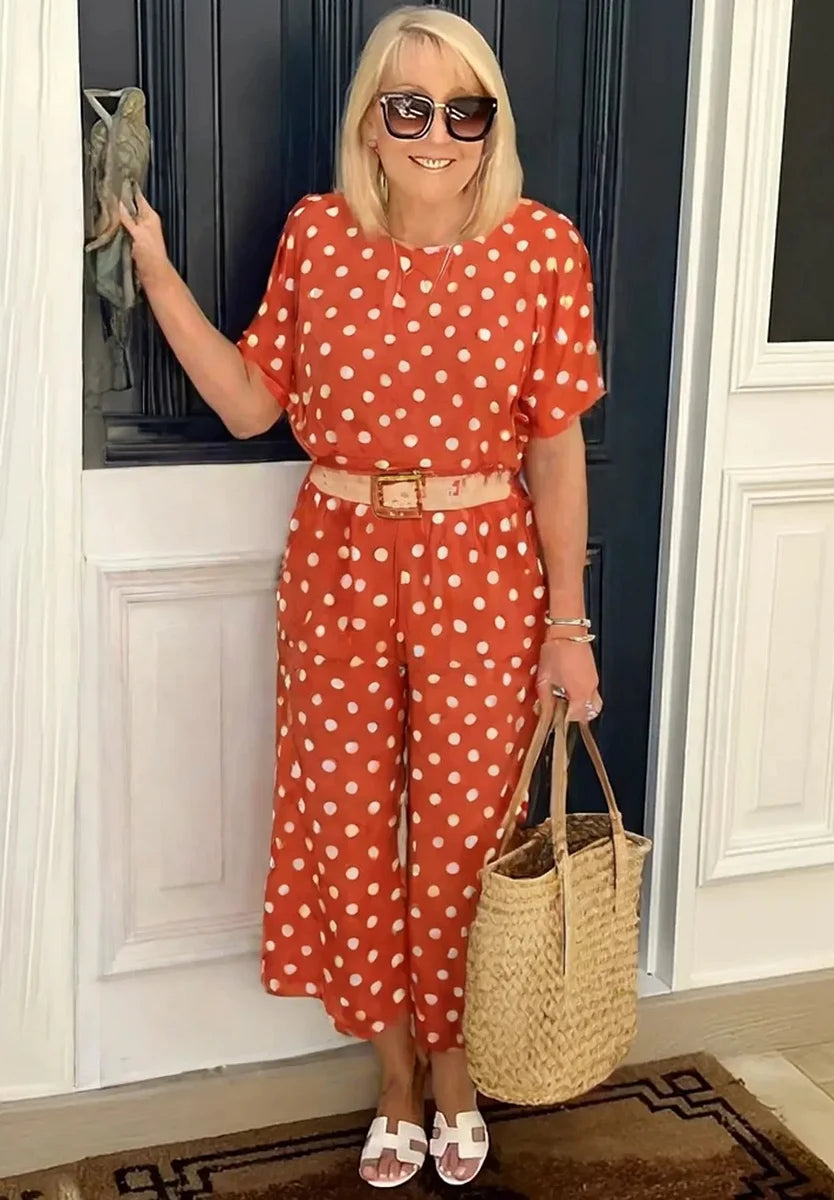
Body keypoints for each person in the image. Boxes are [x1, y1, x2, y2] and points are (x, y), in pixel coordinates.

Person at [120, 3, 604, 1188]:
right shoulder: (318, 235)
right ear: (371, 125)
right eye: (411, 107)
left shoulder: (543, 247)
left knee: (461, 840)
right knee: (343, 825)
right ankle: (393, 1075)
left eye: (465, 111)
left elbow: (555, 449)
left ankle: (455, 1070)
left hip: (485, 567)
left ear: (492, 126)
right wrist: (158, 271)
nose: (438, 134)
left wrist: (569, 624)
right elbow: (251, 405)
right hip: (339, 558)